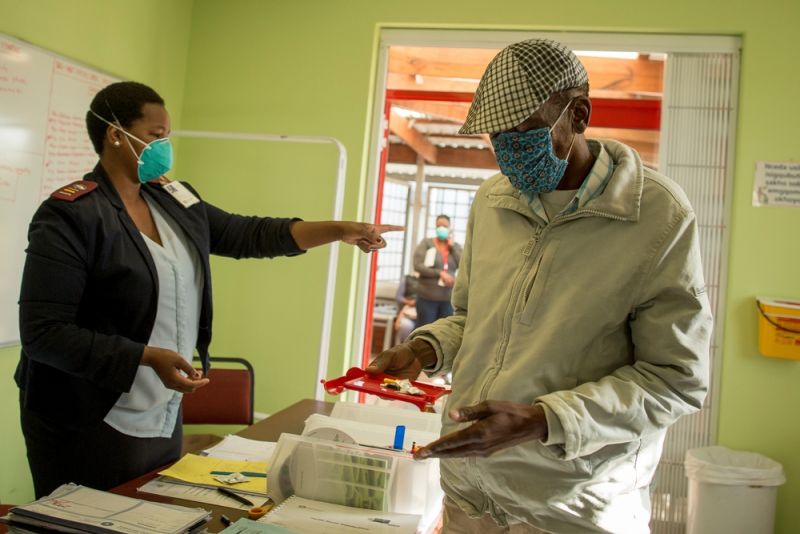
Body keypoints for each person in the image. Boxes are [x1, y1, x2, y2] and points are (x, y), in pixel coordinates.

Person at [368, 39, 712, 534]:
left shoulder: (656, 217)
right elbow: (473, 317)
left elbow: (674, 379)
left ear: (579, 115)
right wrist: (426, 348)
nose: (508, 153)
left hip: (570, 505)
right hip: (471, 490)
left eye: (526, 133)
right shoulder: (493, 201)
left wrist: (544, 421)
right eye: (497, 138)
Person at [16, 81, 401, 498]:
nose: (165, 146)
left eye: (168, 135)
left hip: (161, 410)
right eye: (155, 135)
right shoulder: (71, 215)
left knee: (152, 517)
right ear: (115, 134)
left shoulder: (172, 200)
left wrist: (339, 230)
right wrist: (145, 357)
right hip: (88, 415)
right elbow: (44, 333)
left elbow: (248, 233)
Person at [412, 214, 462, 328]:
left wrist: (452, 247)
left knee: (444, 333)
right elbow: (417, 265)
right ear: (435, 226)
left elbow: (463, 265)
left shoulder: (456, 246)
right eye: (439, 226)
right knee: (424, 332)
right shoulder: (426, 243)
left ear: (450, 228)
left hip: (448, 300)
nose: (442, 228)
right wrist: (439, 273)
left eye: (444, 226)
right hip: (426, 298)